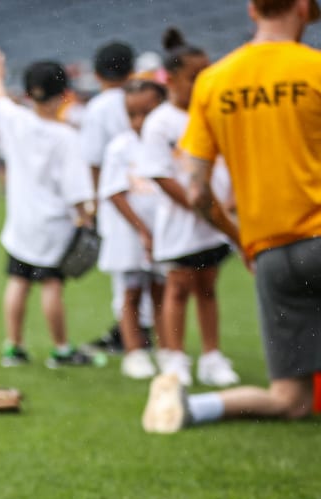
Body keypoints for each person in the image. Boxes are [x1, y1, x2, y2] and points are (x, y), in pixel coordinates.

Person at [143, 0, 321, 433]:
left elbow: (198, 190)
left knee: (290, 398)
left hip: (272, 253)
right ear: (301, 8)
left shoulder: (215, 81)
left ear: (251, 10)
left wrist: (242, 239)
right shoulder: (313, 67)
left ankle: (191, 407)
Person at [0, 47, 98, 369]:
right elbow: (77, 191)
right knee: (51, 284)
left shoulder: (16, 119)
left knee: (18, 282)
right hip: (54, 225)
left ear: (29, 93)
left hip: (21, 220)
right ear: (65, 95)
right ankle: (61, 350)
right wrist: (86, 217)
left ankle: (13, 347)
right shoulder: (66, 137)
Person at [135, 28, 240, 388]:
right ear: (172, 78)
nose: (202, 83)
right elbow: (160, 175)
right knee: (178, 288)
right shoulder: (161, 121)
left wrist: (224, 203)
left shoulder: (212, 113)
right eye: (196, 77)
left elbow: (228, 163)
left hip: (213, 219)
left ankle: (212, 356)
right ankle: (175, 358)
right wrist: (199, 206)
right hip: (181, 221)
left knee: (208, 286)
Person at [81, 41, 154, 356]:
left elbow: (94, 160)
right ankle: (146, 329)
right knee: (151, 267)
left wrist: (93, 203)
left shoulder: (98, 107)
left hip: (117, 193)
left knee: (124, 271)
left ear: (97, 73)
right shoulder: (147, 97)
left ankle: (128, 334)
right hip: (149, 190)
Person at [96, 79, 169, 379]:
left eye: (147, 112)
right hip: (130, 234)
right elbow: (114, 191)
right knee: (131, 291)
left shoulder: (168, 142)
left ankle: (167, 350)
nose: (139, 121)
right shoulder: (121, 146)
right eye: (132, 114)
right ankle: (134, 350)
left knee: (163, 291)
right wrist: (143, 230)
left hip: (164, 232)